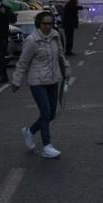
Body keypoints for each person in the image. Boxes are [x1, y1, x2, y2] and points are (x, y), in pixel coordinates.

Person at [10, 11, 69, 159]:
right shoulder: (32, 40)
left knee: (51, 114)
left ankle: (30, 131)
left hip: (53, 79)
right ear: (38, 24)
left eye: (50, 23)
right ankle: (47, 146)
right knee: (46, 112)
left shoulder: (55, 36)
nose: (48, 27)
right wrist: (16, 81)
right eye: (44, 24)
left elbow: (61, 55)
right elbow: (23, 62)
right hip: (37, 81)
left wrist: (66, 69)